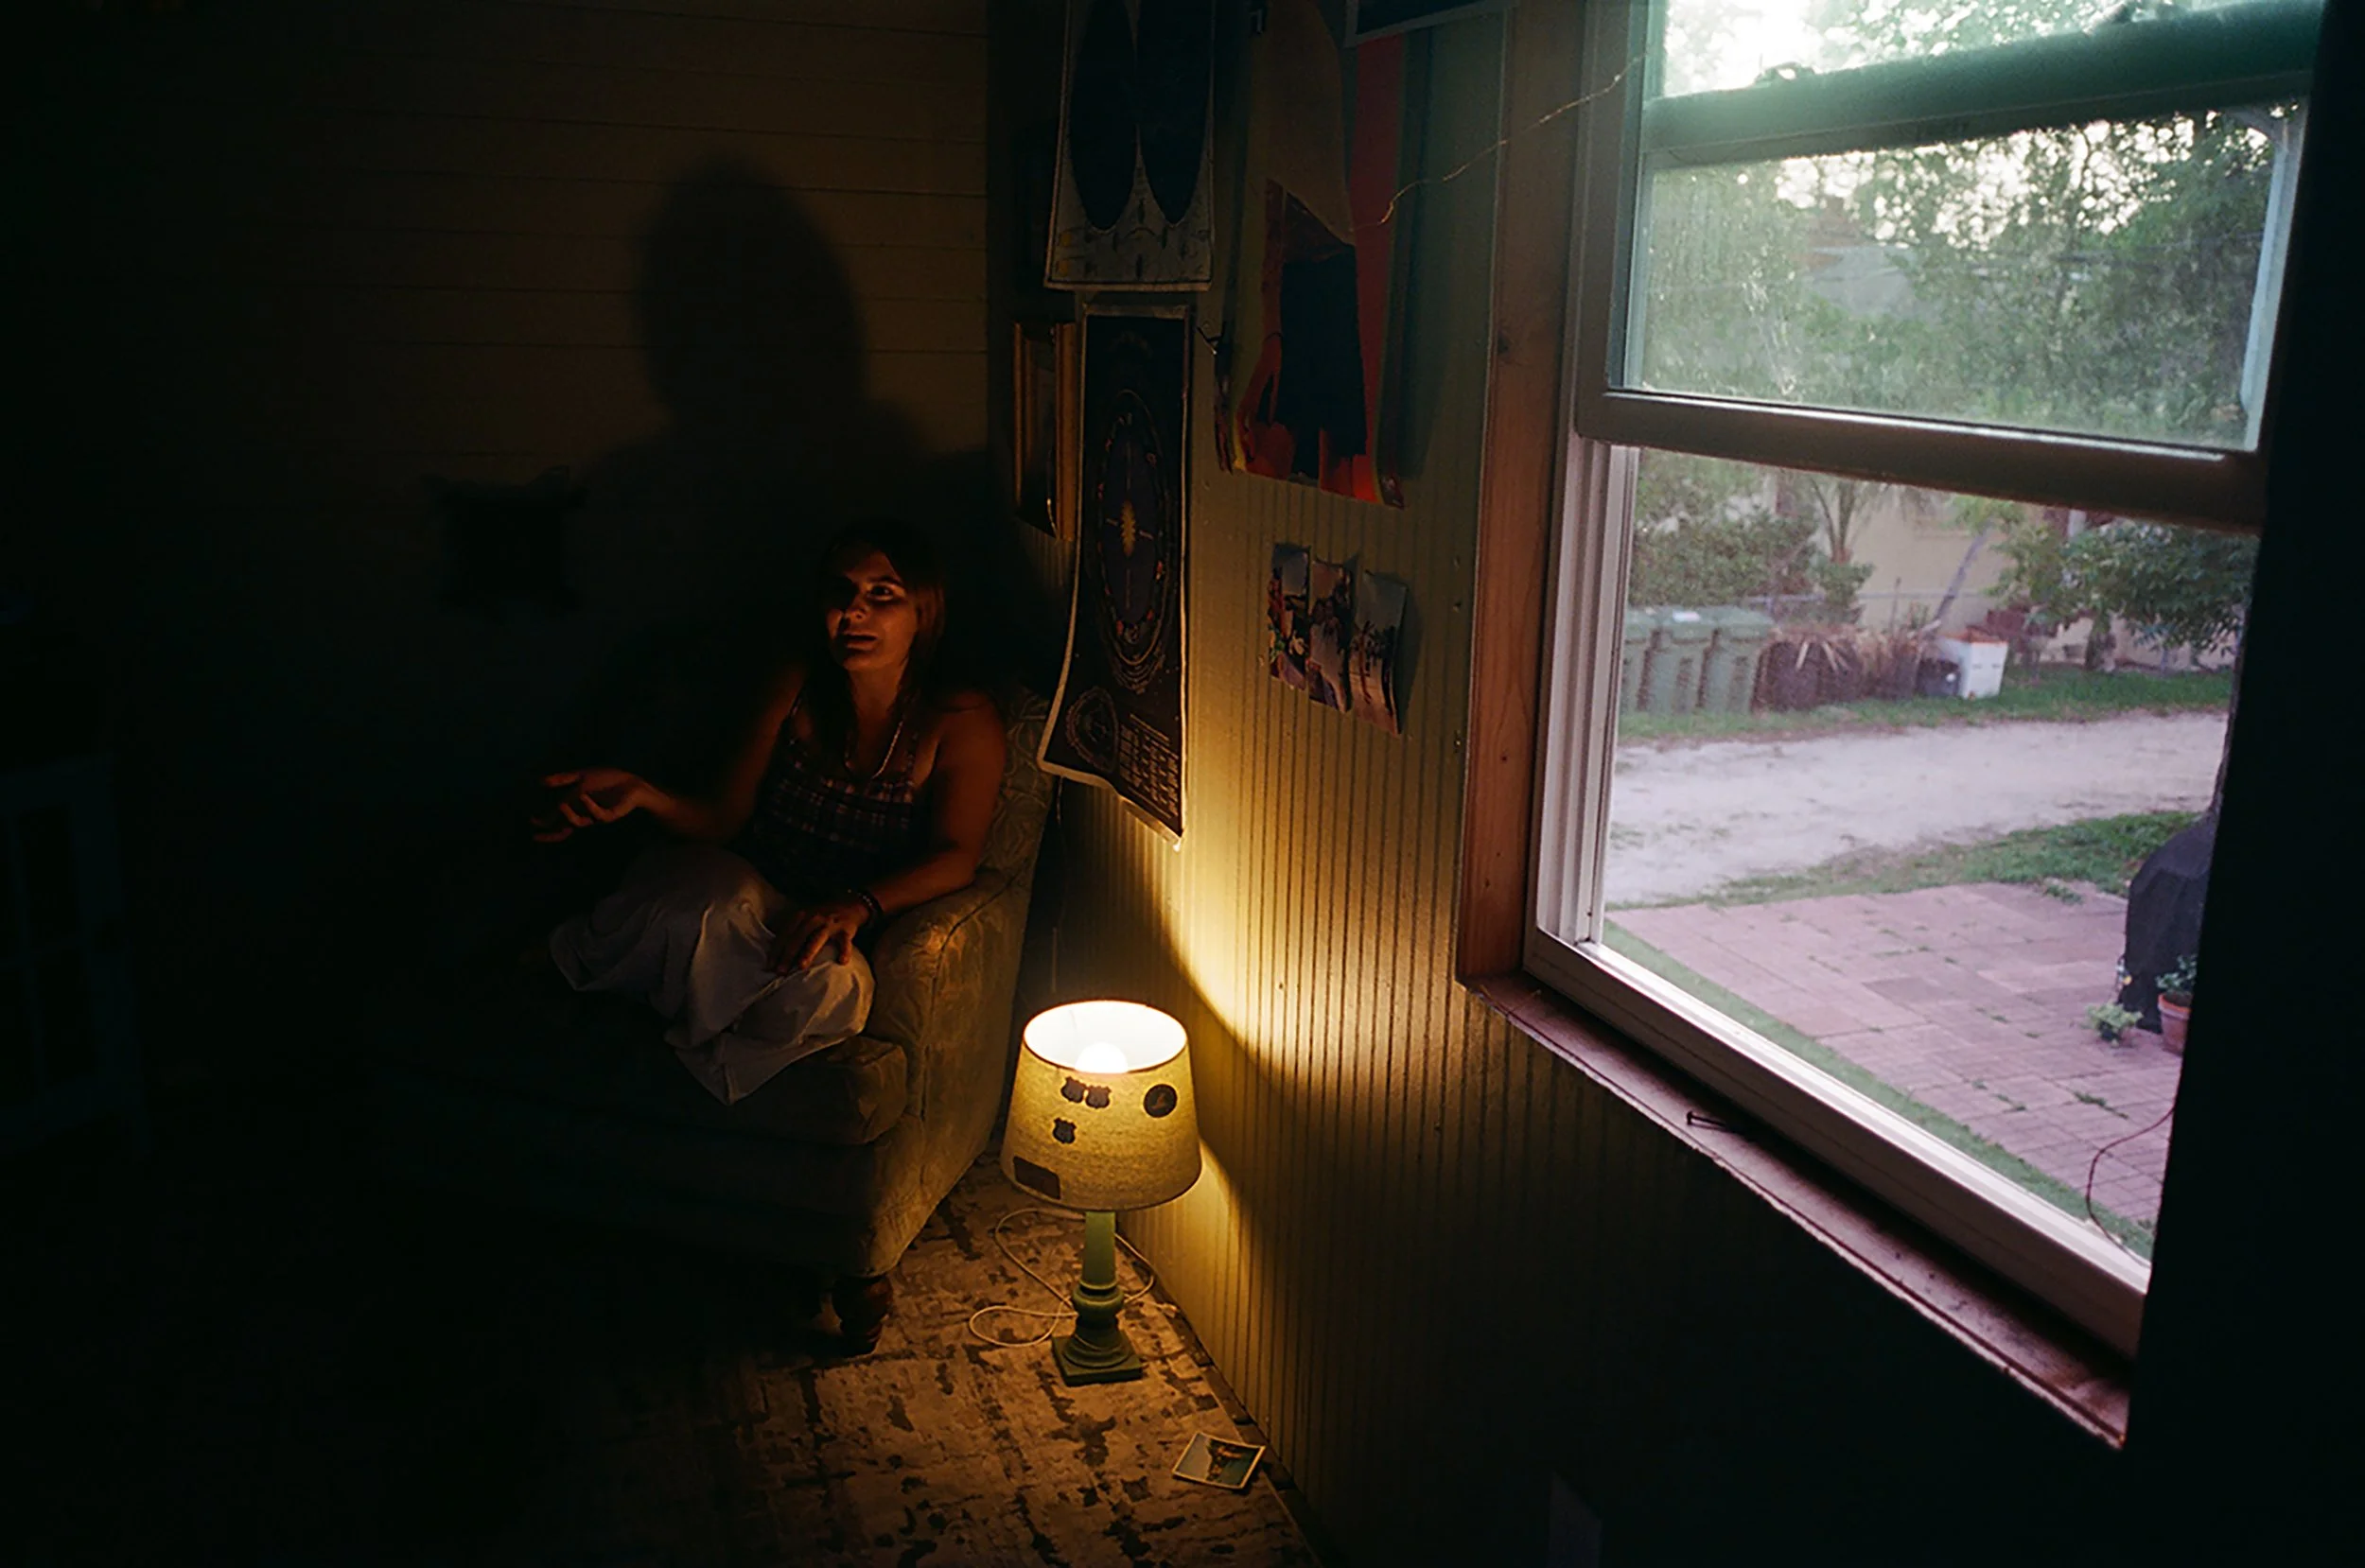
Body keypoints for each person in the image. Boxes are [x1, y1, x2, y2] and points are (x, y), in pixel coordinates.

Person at [533, 520, 1007, 1104]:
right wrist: (644, 793)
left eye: (882, 595)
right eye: (841, 593)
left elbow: (957, 856)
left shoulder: (957, 719)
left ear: (924, 612)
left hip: (829, 918)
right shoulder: (799, 686)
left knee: (836, 988)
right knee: (704, 910)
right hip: (747, 886)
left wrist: (857, 906)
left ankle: (701, 1060)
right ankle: (631, 992)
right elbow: (722, 820)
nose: (854, 612)